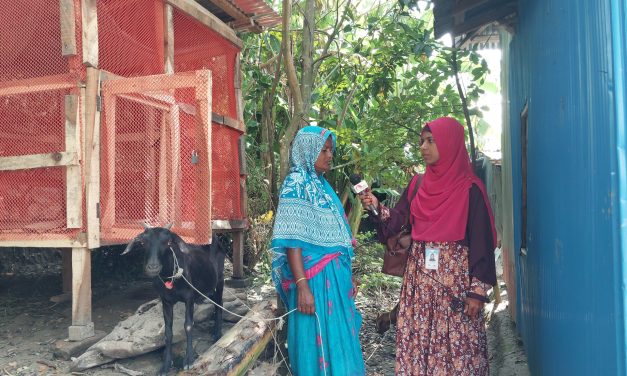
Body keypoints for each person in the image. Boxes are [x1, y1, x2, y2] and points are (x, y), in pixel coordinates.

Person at [359, 117, 497, 375]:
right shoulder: (417, 184)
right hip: (419, 291)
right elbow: (397, 221)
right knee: (419, 351)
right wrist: (376, 207)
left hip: (455, 291)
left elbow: (482, 242)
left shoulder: (470, 190)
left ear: (450, 143)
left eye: (431, 141)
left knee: (457, 355)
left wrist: (477, 291)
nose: (423, 147)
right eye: (422, 141)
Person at [271, 126, 365, 376]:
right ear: (307, 151)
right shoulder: (296, 184)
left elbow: (337, 239)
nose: (329, 156)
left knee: (342, 340)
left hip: (335, 280)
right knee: (316, 344)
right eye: (323, 150)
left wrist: (348, 276)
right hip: (313, 283)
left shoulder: (323, 187)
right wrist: (302, 287)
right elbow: (293, 241)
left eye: (330, 150)